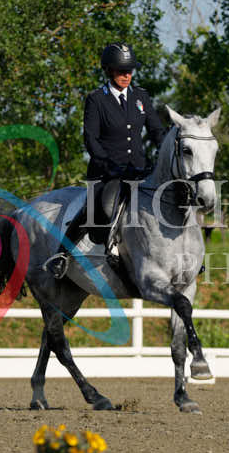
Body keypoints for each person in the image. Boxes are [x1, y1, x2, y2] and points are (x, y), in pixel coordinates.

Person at [48, 42, 167, 279]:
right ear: (109, 70)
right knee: (95, 207)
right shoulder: (96, 99)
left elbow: (156, 131)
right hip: (107, 171)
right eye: (121, 71)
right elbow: (91, 138)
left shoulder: (140, 96)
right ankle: (62, 254)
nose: (127, 75)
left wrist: (165, 151)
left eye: (130, 70)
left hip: (138, 170)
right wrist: (108, 164)